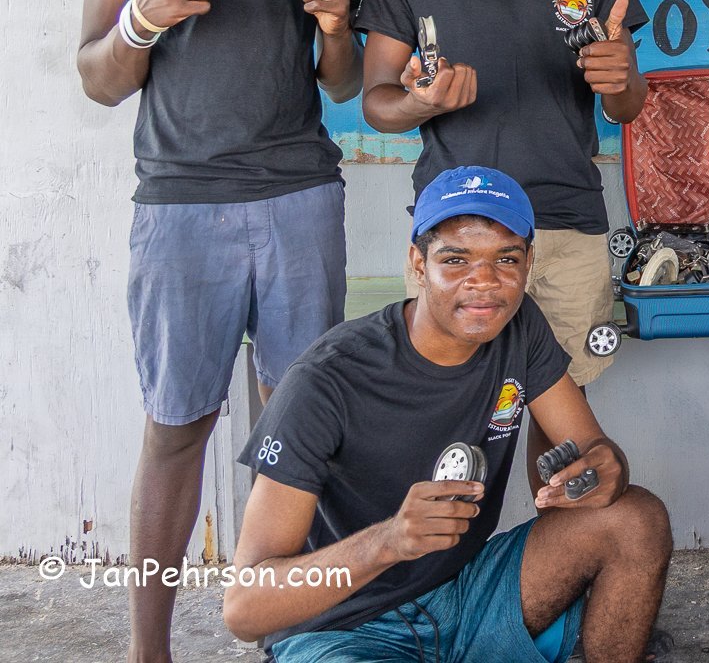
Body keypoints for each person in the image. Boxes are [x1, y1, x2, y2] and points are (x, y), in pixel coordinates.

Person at [73, 0, 364, 662]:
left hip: (298, 196)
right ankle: (147, 648)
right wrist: (144, 21)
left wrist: (332, 24)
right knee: (176, 427)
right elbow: (98, 78)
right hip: (180, 204)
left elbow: (345, 83)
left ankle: (299, 635)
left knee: (303, 430)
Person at [223, 165, 672, 662]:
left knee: (636, 518)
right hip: (344, 626)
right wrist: (390, 541)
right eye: (456, 260)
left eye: (506, 259)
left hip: (463, 591)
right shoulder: (326, 379)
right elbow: (245, 609)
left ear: (528, 262)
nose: (485, 283)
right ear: (418, 263)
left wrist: (605, 468)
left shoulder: (519, 325)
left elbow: (595, 452)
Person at [356, 0, 649, 485]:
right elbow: (375, 103)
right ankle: (440, 583)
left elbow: (626, 104)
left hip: (567, 222)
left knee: (558, 424)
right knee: (452, 415)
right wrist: (422, 102)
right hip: (460, 231)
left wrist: (622, 81)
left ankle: (540, 584)